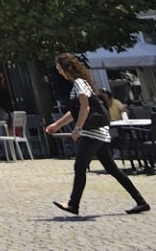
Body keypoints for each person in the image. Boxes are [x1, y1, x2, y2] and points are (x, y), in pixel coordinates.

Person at [43, 53, 149, 217]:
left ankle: (73, 203)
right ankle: (141, 202)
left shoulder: (79, 83)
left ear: (67, 69)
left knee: (79, 166)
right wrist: (57, 125)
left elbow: (85, 108)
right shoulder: (80, 84)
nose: (59, 73)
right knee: (112, 169)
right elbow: (75, 111)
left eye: (60, 69)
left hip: (93, 133)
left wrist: (77, 129)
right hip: (97, 133)